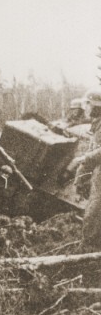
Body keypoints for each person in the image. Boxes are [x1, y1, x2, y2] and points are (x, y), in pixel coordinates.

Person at [69, 88, 101, 250]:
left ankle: (87, 253)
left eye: (87, 105)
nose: (85, 109)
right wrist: (80, 179)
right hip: (96, 176)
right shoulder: (96, 125)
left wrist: (83, 158)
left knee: (93, 215)